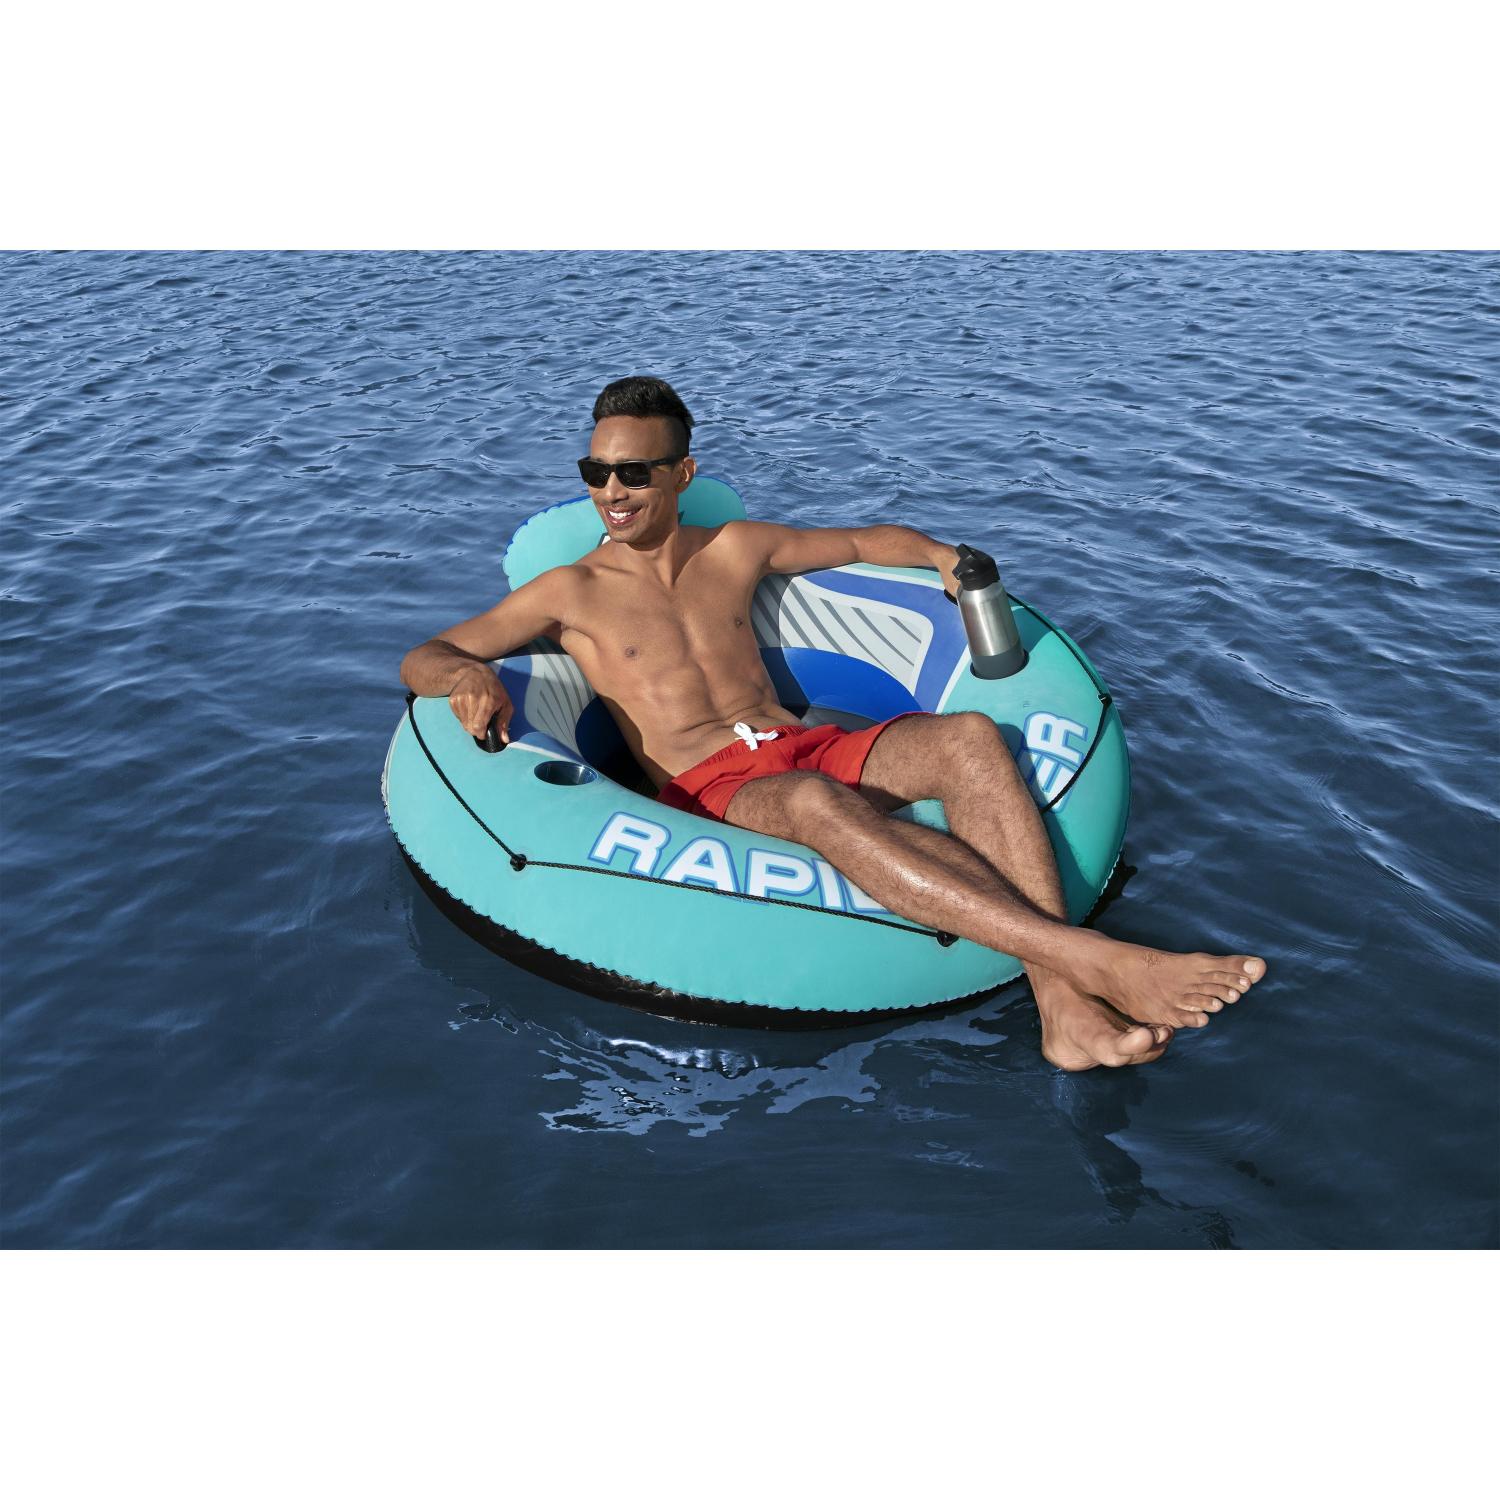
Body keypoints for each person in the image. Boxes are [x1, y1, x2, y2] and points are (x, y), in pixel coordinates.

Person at [401, 376, 1265, 1068]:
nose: (612, 493)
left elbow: (860, 544)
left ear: (682, 474)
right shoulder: (570, 592)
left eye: (634, 473)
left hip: (801, 740)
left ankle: (1062, 1007)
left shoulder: (733, 548)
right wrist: (467, 677)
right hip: (708, 784)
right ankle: (1089, 959)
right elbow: (427, 654)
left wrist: (940, 556)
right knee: (818, 803)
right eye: (596, 473)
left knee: (969, 739)